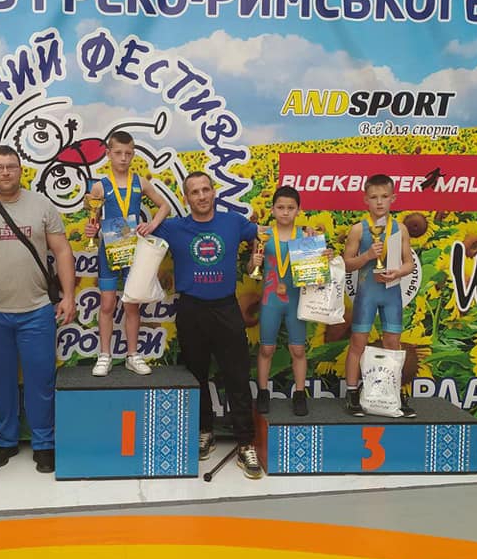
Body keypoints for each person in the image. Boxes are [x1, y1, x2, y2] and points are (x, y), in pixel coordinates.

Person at [0, 145, 76, 474]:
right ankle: (6, 440)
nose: (5, 172)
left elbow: (62, 251)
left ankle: (44, 443)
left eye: (11, 166)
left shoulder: (41, 205)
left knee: (41, 380)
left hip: (37, 310)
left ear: (21, 170)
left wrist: (68, 295)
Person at [152, 172, 263, 479]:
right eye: (194, 192)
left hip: (226, 308)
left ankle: (245, 442)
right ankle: (205, 431)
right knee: (196, 375)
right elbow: (133, 233)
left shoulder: (233, 223)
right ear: (186, 198)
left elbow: (268, 233)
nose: (201, 196)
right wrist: (98, 226)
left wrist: (310, 244)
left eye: (205, 190)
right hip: (191, 309)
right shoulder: (173, 227)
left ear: (214, 192)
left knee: (237, 376)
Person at [86, 130, 171, 376]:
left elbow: (164, 206)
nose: (123, 158)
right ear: (108, 154)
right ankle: (105, 355)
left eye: (128, 153)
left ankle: (132, 355)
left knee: (132, 304)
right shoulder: (100, 186)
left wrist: (151, 225)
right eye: (118, 153)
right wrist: (92, 229)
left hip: (134, 251)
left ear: (133, 154)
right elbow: (91, 217)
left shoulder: (140, 182)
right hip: (109, 251)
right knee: (107, 304)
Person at [342, 174, 416, 417]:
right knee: (358, 342)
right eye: (374, 197)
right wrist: (366, 257)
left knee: (393, 344)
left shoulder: (400, 229)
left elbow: (409, 264)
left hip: (391, 293)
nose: (379, 202)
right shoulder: (358, 230)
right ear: (365, 199)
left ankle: (394, 392)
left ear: (393, 198)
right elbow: (346, 264)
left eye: (384, 196)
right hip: (367, 294)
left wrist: (398, 272)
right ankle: (352, 392)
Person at [247, 186, 318, 417]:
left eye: (290, 208)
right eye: (280, 207)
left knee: (297, 348)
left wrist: (321, 255)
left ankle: (300, 394)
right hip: (271, 300)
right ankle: (263, 392)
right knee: (266, 347)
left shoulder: (305, 236)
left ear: (298, 210)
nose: (285, 212)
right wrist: (254, 262)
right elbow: (250, 269)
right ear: (272, 209)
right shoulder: (264, 235)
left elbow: (315, 271)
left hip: (296, 299)